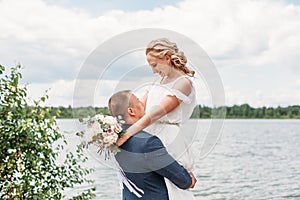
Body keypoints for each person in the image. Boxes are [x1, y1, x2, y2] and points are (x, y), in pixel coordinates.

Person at [116, 38, 197, 199]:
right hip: (148, 134)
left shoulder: (184, 83)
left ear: (167, 58)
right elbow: (139, 107)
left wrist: (128, 134)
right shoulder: (158, 81)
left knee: (172, 186)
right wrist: (115, 128)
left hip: (168, 137)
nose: (153, 71)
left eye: (154, 65)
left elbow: (155, 113)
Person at [108, 90, 197, 200]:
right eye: (139, 101)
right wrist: (189, 180)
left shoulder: (112, 141)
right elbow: (179, 176)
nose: (143, 104)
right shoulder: (148, 143)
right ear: (131, 111)